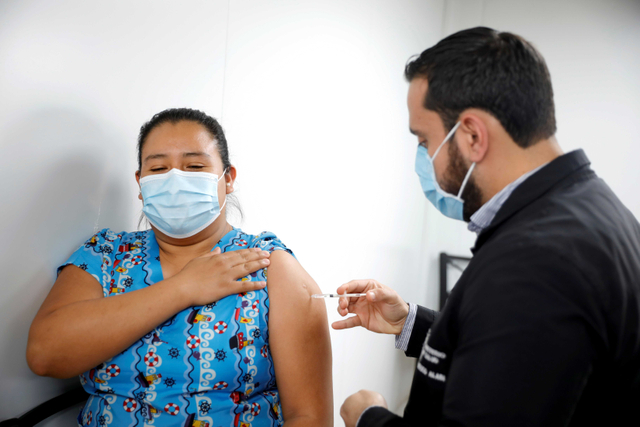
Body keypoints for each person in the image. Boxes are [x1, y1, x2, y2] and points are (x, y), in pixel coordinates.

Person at [333, 27, 640, 427]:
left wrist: (367, 416)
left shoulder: (533, 262)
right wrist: (409, 321)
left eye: (425, 141)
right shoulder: (593, 209)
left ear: (473, 135)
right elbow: (518, 363)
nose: (425, 159)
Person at [26, 108, 333, 427]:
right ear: (140, 184)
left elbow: (310, 416)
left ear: (228, 179)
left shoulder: (270, 265)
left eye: (195, 166)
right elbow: (44, 354)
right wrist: (183, 288)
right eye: (158, 168)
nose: (174, 179)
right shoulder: (105, 255)